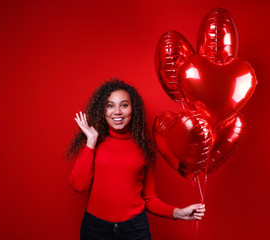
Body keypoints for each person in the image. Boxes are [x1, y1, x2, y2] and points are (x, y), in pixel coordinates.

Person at [65, 78, 205, 240]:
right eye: (110, 105)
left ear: (133, 109)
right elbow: (79, 185)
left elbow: (150, 199)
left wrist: (177, 212)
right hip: (96, 229)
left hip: (135, 230)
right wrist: (90, 141)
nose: (117, 111)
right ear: (102, 110)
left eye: (124, 105)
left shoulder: (145, 148)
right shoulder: (92, 142)